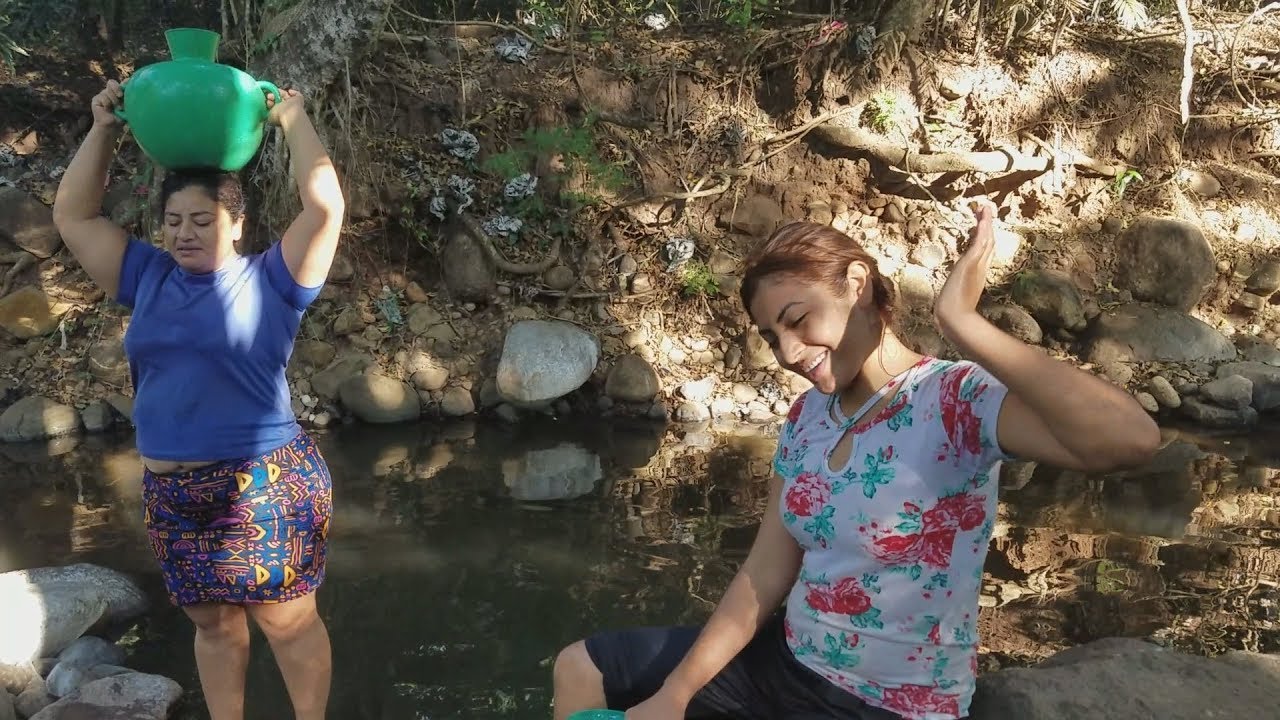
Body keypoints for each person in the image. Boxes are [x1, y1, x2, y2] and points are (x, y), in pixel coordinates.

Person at [551, 202, 1160, 720]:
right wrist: (675, 696)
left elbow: (1129, 439)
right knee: (582, 669)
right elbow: (764, 575)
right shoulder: (807, 419)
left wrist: (962, 321)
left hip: (893, 703)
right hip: (787, 665)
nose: (787, 352)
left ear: (857, 284)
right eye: (771, 337)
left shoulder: (954, 399)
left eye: (797, 321)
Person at [52, 79, 345, 720]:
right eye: (174, 222)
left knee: (287, 623)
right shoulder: (147, 276)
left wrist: (292, 119)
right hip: (173, 494)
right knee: (213, 625)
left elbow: (324, 210)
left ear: (237, 223)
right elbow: (74, 216)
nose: (185, 233)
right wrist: (103, 127)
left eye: (203, 221)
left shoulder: (273, 279)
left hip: (264, 481)